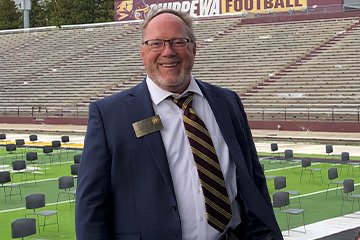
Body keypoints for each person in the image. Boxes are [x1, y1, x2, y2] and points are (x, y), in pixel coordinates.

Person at [75, 8, 283, 240]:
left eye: (178, 42)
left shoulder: (227, 102)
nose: (168, 52)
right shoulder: (110, 115)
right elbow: (91, 207)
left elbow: (253, 182)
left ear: (194, 47)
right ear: (142, 52)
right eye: (156, 44)